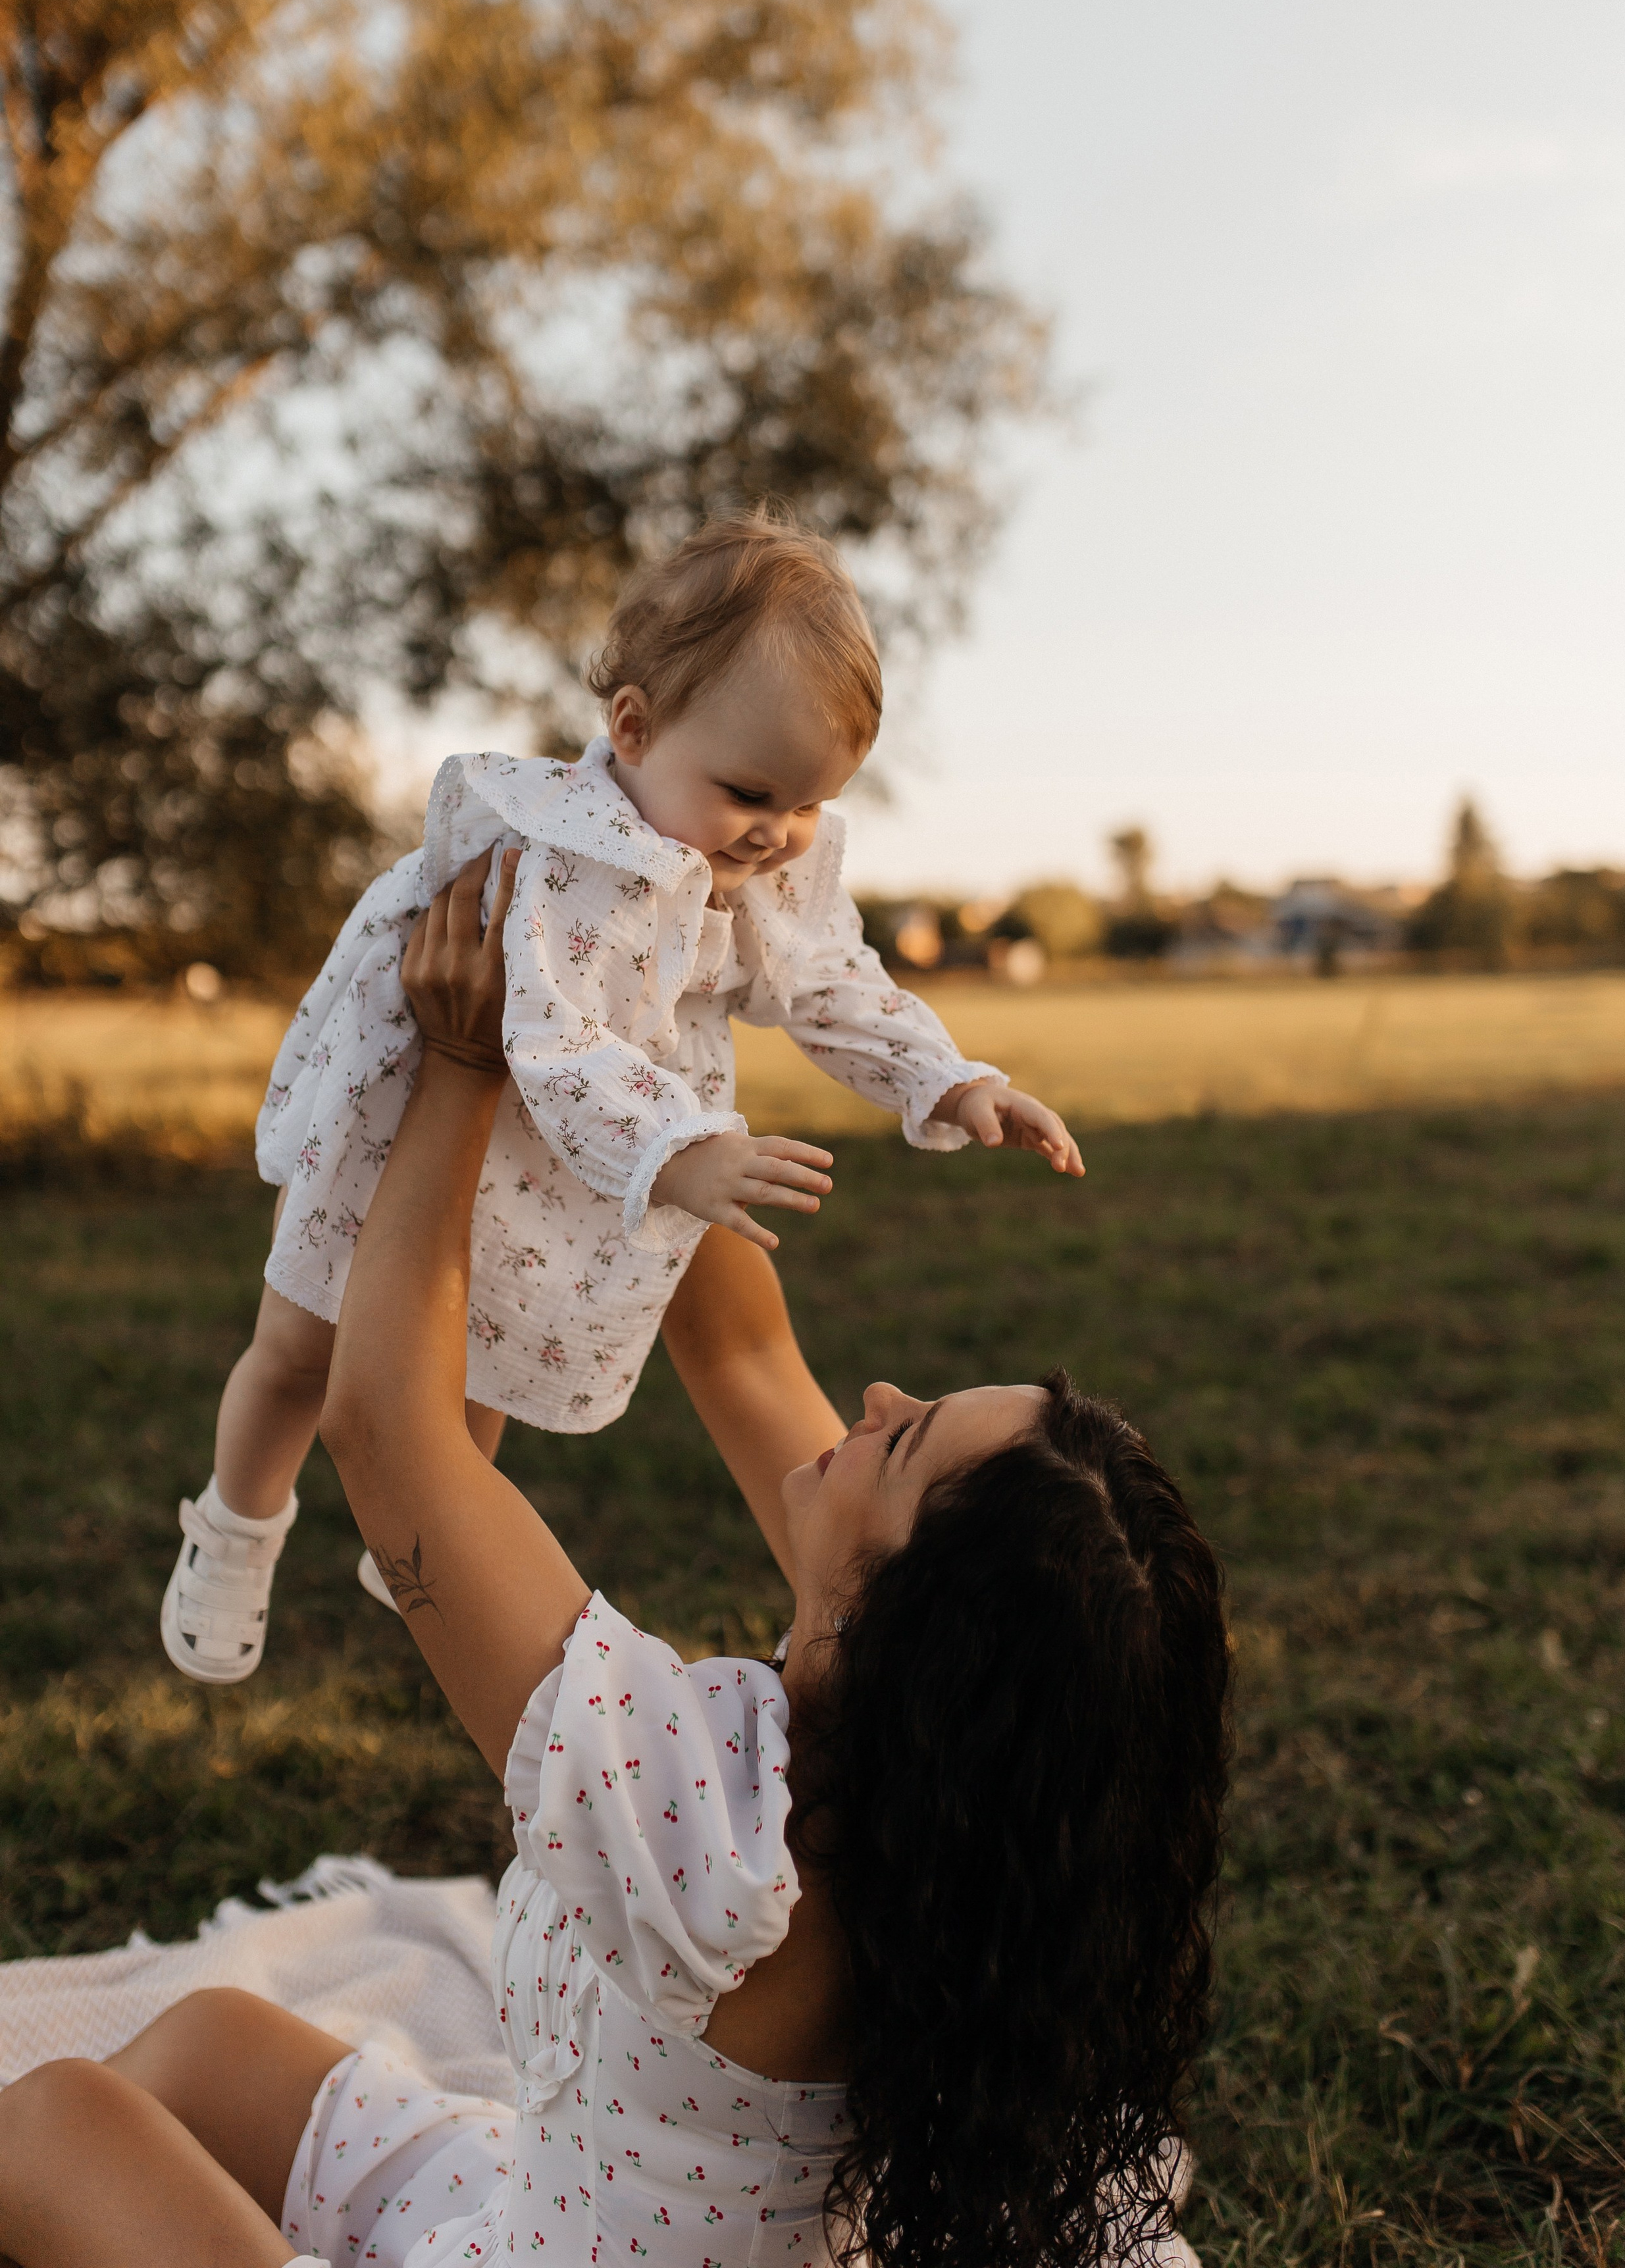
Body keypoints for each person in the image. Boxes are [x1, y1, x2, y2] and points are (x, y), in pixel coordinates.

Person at [0, 856, 1231, 2268]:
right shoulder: (944, 1802)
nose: (876, 1399)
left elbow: (387, 1432)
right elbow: (740, 1347)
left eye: (901, 1441)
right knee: (213, 2043)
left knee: (49, 2124)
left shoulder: (714, 1840)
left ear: (909, 1617)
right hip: (557, 2205)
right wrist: (629, 1032)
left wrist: (467, 1069)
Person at [161, 510, 1085, 1684]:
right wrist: (682, 1150)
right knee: (300, 1343)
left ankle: (427, 1525)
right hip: (432, 1119)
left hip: (583, 1144)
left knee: (484, 1351)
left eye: (809, 804)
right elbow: (551, 1036)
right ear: (634, 728)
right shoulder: (564, 856)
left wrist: (951, 1081)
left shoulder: (755, 858)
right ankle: (237, 1525)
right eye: (752, 792)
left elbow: (830, 981)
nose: (778, 835)